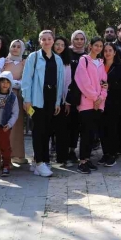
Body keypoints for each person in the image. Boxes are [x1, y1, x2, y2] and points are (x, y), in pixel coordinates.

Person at [21, 30, 64, 178]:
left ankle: (43, 160)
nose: (46, 41)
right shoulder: (33, 57)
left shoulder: (58, 59)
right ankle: (39, 162)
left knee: (47, 131)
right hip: (36, 100)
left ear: (53, 41)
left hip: (51, 99)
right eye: (43, 39)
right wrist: (27, 99)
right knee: (38, 131)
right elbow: (26, 79)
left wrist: (58, 102)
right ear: (40, 41)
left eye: (49, 39)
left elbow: (60, 82)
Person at [74, 37, 107, 173]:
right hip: (87, 103)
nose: (98, 48)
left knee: (92, 133)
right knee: (86, 133)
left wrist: (101, 98)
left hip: (98, 104)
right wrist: (95, 98)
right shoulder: (84, 60)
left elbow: (104, 83)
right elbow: (83, 82)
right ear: (91, 46)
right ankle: (82, 161)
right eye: (96, 45)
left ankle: (87, 159)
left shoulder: (100, 62)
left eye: (100, 46)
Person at [0, 40, 27, 165]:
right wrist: (10, 84)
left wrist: (13, 83)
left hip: (16, 97)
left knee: (14, 126)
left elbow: (25, 81)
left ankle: (11, 155)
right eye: (13, 46)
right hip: (2, 95)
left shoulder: (24, 63)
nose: (15, 49)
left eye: (18, 47)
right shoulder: (3, 61)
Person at [100, 42, 121, 167]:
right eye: (105, 50)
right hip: (100, 102)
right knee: (102, 129)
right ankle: (105, 153)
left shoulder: (120, 67)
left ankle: (112, 154)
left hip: (115, 102)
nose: (107, 53)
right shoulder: (99, 65)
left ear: (114, 52)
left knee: (113, 129)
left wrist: (111, 86)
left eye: (110, 50)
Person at [66, 30, 88, 164]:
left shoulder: (87, 56)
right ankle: (68, 150)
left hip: (84, 94)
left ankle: (79, 151)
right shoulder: (67, 54)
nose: (79, 42)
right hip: (69, 94)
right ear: (72, 40)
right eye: (76, 39)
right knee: (70, 124)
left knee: (82, 124)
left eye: (81, 39)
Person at [53, 36, 73, 167]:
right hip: (46, 99)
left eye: (62, 45)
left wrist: (67, 102)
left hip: (61, 100)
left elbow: (67, 83)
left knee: (62, 130)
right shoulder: (46, 60)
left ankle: (62, 157)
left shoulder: (67, 63)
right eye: (57, 44)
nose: (59, 47)